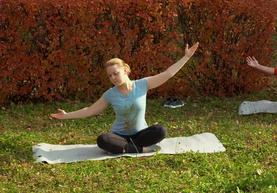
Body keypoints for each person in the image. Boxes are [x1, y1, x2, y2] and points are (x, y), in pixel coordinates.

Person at [51, 42, 199, 154]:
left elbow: (168, 73)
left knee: (161, 130)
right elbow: (90, 110)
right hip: (119, 137)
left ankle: (128, 148)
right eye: (110, 75)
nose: (113, 78)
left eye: (115, 73)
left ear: (125, 70)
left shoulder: (142, 85)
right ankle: (140, 150)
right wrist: (65, 116)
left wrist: (186, 57)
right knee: (103, 140)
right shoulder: (110, 94)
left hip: (141, 134)